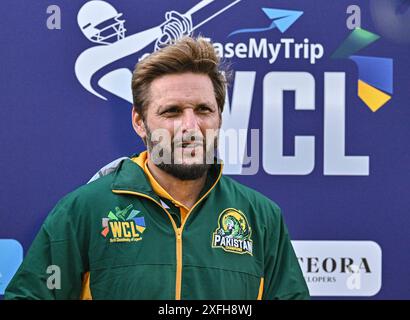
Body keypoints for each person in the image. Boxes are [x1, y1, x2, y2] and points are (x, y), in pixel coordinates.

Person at [5, 36, 309, 300]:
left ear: (219, 117)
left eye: (203, 110)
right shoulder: (84, 210)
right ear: (140, 122)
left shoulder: (261, 217)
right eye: (172, 112)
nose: (190, 126)